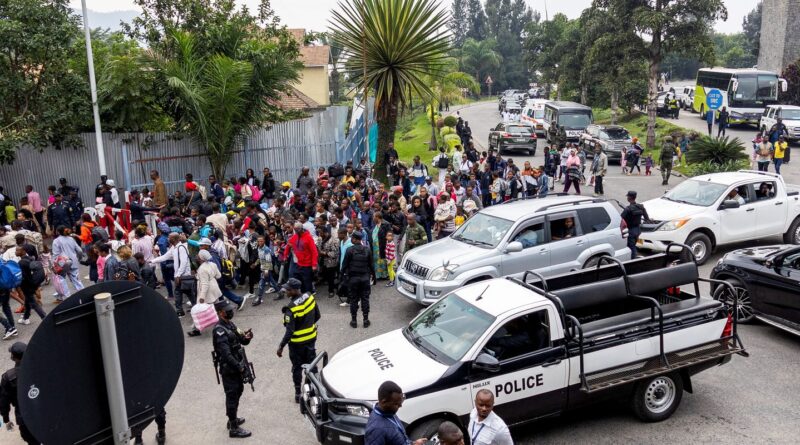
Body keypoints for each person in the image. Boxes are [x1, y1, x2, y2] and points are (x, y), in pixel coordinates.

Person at [212, 298, 253, 438]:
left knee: (239, 390)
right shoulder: (219, 331)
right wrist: (239, 367)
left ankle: (232, 418)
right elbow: (225, 354)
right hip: (229, 369)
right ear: (220, 313)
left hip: (237, 365)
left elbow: (242, 339)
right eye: (227, 310)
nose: (230, 311)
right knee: (232, 395)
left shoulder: (230, 324)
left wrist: (247, 337)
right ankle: (233, 428)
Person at [276, 278, 321, 403]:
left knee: (297, 368)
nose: (286, 292)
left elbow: (289, 331)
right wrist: (308, 327)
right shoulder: (310, 297)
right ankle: (315, 390)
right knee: (312, 366)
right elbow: (318, 316)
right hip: (311, 339)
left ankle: (298, 393)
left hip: (296, 345)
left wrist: (281, 346)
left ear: (295, 290)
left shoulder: (290, 309)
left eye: (288, 290)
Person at [364, 381, 427, 445]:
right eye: (396, 404)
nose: (400, 406)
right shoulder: (375, 429)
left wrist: (414, 443)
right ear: (384, 402)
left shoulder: (389, 412)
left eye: (401, 401)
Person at [0, 342, 37, 444]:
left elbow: (3, 401)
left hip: (24, 416)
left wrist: (6, 419)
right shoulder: (39, 368)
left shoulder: (8, 377)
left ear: (13, 357)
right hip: (43, 411)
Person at [342, 231, 374, 327]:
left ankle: (354, 321)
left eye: (352, 238)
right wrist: (374, 277)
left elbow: (344, 265)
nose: (351, 239)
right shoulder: (367, 249)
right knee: (365, 299)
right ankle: (365, 320)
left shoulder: (349, 250)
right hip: (365, 279)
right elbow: (371, 265)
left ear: (355, 239)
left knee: (354, 299)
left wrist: (341, 277)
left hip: (353, 279)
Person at [283, 222, 318, 293]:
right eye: (295, 230)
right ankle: (303, 298)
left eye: (297, 230)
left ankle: (309, 298)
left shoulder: (308, 237)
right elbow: (288, 245)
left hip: (307, 265)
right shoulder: (295, 236)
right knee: (301, 283)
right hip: (299, 264)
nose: (296, 232)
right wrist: (285, 256)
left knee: (307, 283)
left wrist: (314, 265)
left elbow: (314, 252)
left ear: (302, 229)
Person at [51, 225, 84, 297]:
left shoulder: (56, 241)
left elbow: (55, 254)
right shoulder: (71, 239)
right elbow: (80, 251)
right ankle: (82, 294)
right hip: (73, 261)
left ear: (58, 232)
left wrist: (53, 265)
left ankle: (66, 296)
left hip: (63, 263)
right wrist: (79, 258)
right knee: (76, 279)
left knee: (61, 278)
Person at [621, 191, 650, 259]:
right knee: (633, 245)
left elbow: (621, 219)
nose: (627, 198)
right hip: (638, 230)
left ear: (630, 197)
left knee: (631, 247)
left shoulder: (628, 209)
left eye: (628, 196)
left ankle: (633, 261)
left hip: (630, 231)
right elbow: (647, 218)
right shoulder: (641, 207)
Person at [316, 227, 340, 298]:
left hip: (331, 262)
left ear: (325, 232)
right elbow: (318, 247)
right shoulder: (320, 239)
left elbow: (335, 253)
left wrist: (324, 253)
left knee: (331, 277)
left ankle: (331, 291)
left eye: (320, 233)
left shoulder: (333, 241)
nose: (319, 234)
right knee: (324, 274)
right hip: (322, 261)